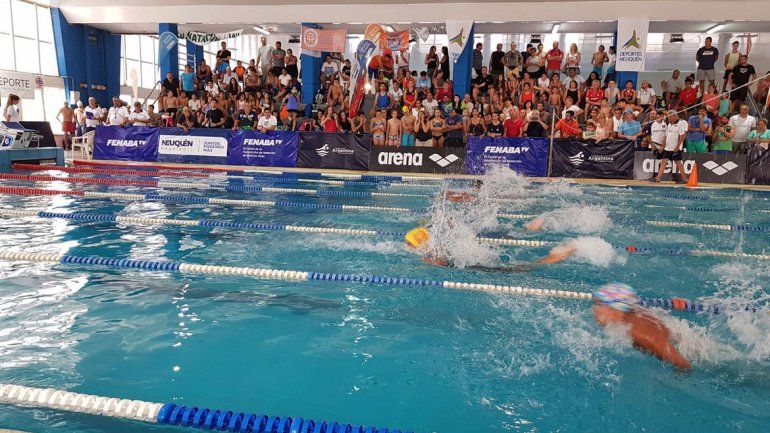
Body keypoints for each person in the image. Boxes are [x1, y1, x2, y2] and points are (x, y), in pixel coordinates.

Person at [592, 283, 691, 370]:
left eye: (599, 304)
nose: (594, 308)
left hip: (689, 351)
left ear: (614, 309)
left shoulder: (640, 335)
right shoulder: (627, 317)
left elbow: (682, 364)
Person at [404, 226, 577, 270]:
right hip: (472, 262)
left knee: (519, 269)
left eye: (409, 244)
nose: (406, 247)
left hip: (475, 268)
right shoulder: (436, 248)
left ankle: (552, 258)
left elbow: (442, 264)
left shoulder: (429, 255)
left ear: (420, 243)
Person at [652, 110, 688, 183]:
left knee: (678, 163)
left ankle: (685, 179)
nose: (668, 119)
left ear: (673, 116)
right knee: (664, 162)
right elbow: (666, 136)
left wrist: (677, 146)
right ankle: (658, 178)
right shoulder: (669, 124)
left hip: (675, 148)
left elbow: (683, 136)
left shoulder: (680, 124)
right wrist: (663, 146)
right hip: (668, 147)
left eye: (669, 117)